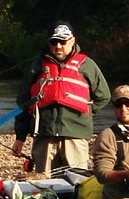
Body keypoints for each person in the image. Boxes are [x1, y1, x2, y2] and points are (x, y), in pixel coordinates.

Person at [11, 21, 110, 176]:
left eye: (62, 42)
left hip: (75, 137)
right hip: (44, 136)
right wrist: (20, 137)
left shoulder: (87, 65)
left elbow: (104, 96)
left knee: (77, 183)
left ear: (72, 40)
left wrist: (84, 114)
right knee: (44, 185)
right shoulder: (37, 66)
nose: (58, 46)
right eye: (54, 42)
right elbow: (24, 103)